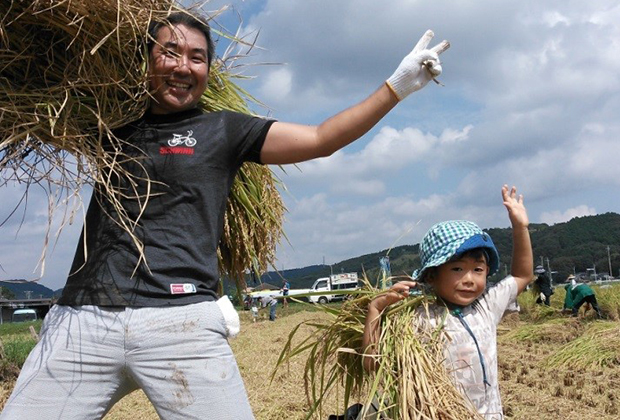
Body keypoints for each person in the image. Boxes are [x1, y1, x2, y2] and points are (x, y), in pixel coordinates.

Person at [1, 11, 448, 420]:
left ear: (208, 71)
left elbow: (320, 137)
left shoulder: (223, 130)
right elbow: (29, 100)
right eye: (170, 52)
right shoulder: (108, 124)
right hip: (83, 318)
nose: (183, 66)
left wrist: (397, 86)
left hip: (179, 320)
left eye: (197, 58)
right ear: (145, 61)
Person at [362, 185, 533, 419]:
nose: (469, 279)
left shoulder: (486, 306)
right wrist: (376, 309)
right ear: (431, 275)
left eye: (478, 269)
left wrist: (520, 227)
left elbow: (522, 276)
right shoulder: (416, 319)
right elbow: (373, 365)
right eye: (457, 269)